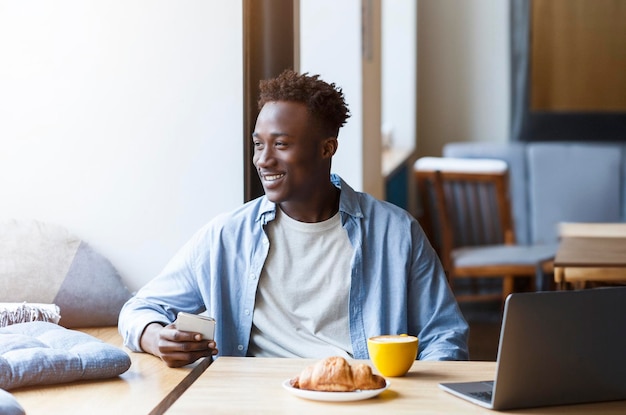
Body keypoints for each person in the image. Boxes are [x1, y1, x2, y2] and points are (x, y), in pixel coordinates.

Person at [118, 69, 469, 367]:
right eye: (258, 144)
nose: (263, 160)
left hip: (361, 400)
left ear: (326, 148)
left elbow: (445, 336)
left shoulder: (396, 233)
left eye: (281, 144)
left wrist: (414, 397)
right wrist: (155, 338)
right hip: (255, 402)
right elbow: (140, 308)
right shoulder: (229, 235)